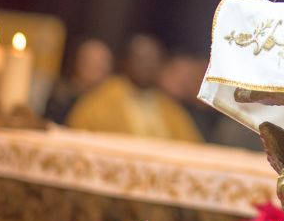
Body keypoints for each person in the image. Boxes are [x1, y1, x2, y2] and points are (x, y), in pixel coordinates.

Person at [66, 34, 202, 141]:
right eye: (142, 60)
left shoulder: (168, 107)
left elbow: (192, 145)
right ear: (126, 61)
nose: (148, 67)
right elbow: (79, 133)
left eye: (153, 61)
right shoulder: (101, 100)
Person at [43, 38, 113, 124]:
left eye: (101, 65)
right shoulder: (62, 97)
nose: (97, 70)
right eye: (91, 64)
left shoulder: (112, 100)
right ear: (78, 63)